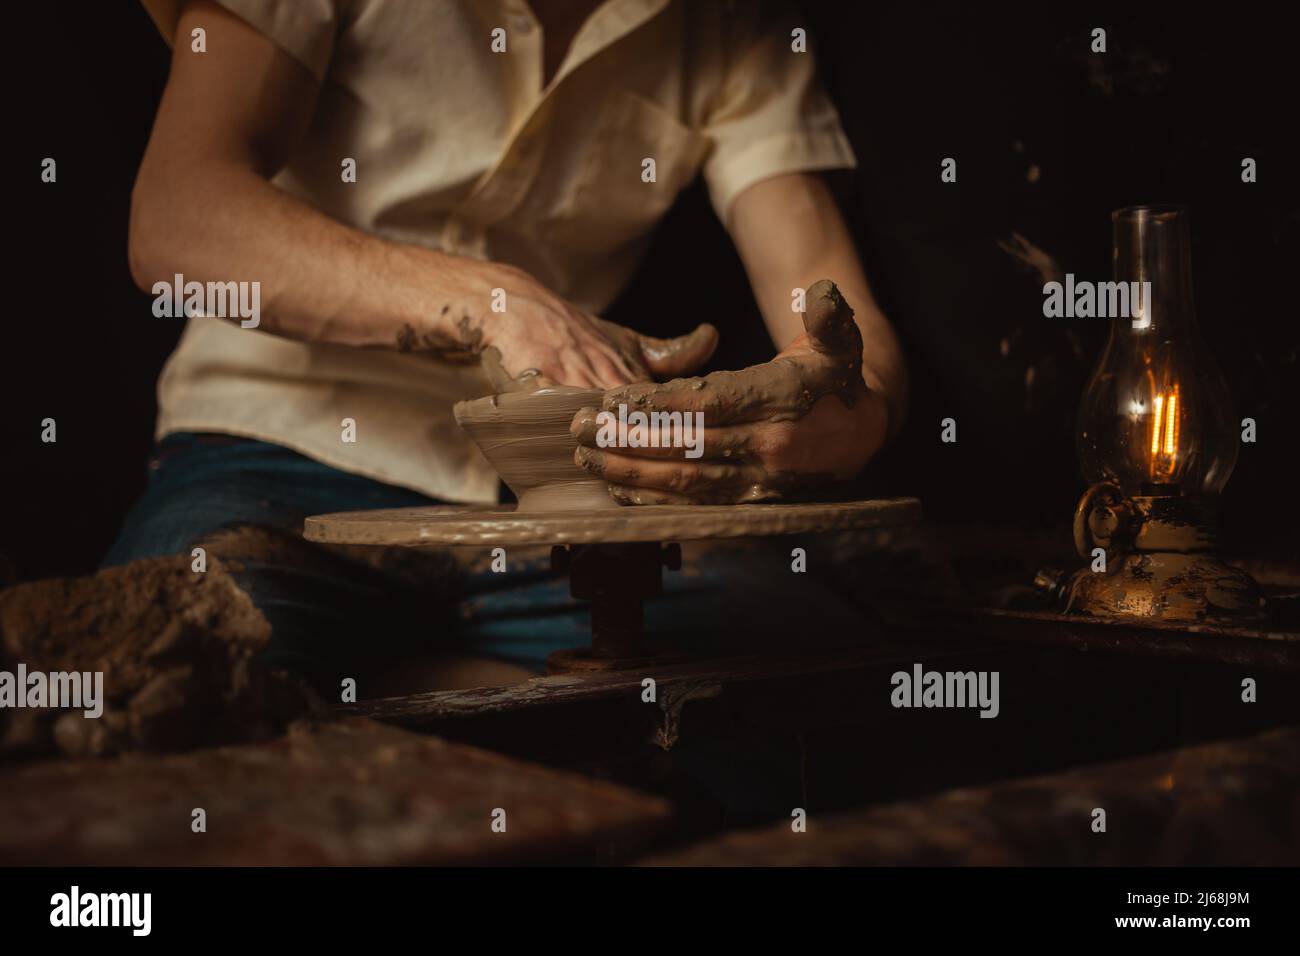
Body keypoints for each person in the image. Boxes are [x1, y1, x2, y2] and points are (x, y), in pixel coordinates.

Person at [112, 0, 908, 686]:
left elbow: (828, 305)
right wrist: (494, 301)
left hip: (551, 493)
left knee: (815, 692)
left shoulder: (730, 18)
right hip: (268, 454)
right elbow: (178, 216)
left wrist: (854, 406)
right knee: (173, 690)